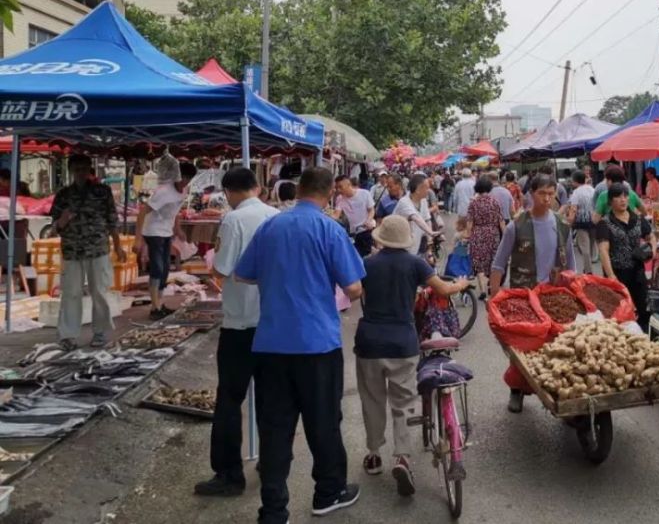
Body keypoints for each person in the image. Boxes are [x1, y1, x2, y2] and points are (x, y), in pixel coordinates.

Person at [235, 167, 365, 522]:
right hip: (317, 344)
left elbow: (242, 273)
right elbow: (354, 287)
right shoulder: (329, 229)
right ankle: (328, 493)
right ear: (328, 195)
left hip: (271, 344)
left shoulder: (271, 226)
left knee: (275, 429)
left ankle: (273, 511)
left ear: (299, 189)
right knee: (323, 422)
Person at [355, 216, 470, 493]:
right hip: (403, 343)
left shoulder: (366, 264)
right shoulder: (415, 263)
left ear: (380, 238)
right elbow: (441, 288)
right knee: (403, 400)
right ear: (405, 239)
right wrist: (461, 285)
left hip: (369, 342)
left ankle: (373, 455)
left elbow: (352, 292)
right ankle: (403, 457)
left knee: (372, 400)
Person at [194, 168, 279, 497]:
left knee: (229, 401)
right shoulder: (275, 216)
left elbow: (223, 268)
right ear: (257, 187)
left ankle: (229, 475)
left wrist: (210, 269)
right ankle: (271, 462)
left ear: (229, 192)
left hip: (240, 324)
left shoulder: (233, 220)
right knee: (272, 400)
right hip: (271, 322)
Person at [490, 174, 576, 413]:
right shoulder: (515, 226)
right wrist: (494, 298)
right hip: (523, 297)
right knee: (522, 349)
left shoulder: (562, 226)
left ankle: (558, 389)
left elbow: (571, 265)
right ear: (531, 194)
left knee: (557, 346)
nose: (547, 199)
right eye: (542, 194)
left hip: (553, 297)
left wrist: (575, 294)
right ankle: (516, 390)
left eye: (551, 194)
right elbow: (499, 263)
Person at [50, 154, 123, 350]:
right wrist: (62, 221)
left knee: (99, 292)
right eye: (77, 169)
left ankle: (100, 332)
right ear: (71, 171)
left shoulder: (102, 191)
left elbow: (112, 220)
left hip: (98, 249)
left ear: (89, 170)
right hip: (72, 250)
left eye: (84, 168)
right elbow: (53, 228)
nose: (81, 172)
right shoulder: (63, 195)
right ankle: (68, 335)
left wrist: (118, 246)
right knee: (71, 294)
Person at [134, 156, 197, 319]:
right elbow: (142, 211)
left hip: (167, 232)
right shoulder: (163, 192)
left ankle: (159, 304)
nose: (185, 181)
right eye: (183, 177)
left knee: (165, 269)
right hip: (153, 231)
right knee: (157, 268)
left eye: (189, 179)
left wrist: (178, 229)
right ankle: (154, 307)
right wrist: (138, 239)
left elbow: (176, 210)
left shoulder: (183, 191)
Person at [595, 183, 656, 331]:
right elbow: (603, 250)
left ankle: (644, 338)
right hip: (617, 272)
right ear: (610, 201)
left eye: (625, 196)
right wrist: (611, 276)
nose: (623, 200)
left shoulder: (638, 219)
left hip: (637, 270)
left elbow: (651, 237)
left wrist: (652, 251)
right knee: (619, 313)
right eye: (618, 197)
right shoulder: (605, 223)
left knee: (644, 308)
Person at [467, 176, 506, 301]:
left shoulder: (473, 203)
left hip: (478, 233)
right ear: (489, 188)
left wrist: (469, 236)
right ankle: (490, 285)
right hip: (493, 234)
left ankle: (482, 290)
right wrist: (505, 236)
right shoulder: (495, 202)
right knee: (492, 261)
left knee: (479, 263)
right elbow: (501, 221)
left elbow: (469, 223)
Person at [393, 174, 437, 256]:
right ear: (418, 190)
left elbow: (427, 219)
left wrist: (430, 243)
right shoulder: (404, 202)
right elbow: (416, 218)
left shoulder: (423, 201)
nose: (429, 190)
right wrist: (430, 232)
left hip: (414, 248)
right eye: (426, 188)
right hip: (400, 249)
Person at [334, 175, 376, 257]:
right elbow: (336, 214)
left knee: (366, 256)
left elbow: (371, 210)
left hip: (366, 230)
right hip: (353, 233)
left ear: (348, 184)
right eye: (337, 187)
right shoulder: (340, 199)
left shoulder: (364, 194)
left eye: (340, 187)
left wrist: (368, 220)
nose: (338, 190)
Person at [565, 170, 597, 274]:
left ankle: (588, 271)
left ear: (575, 181)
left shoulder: (576, 192)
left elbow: (573, 208)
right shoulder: (593, 189)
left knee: (584, 247)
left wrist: (569, 222)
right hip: (593, 221)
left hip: (581, 223)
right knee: (590, 245)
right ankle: (589, 266)